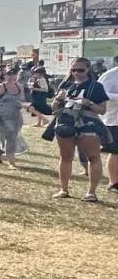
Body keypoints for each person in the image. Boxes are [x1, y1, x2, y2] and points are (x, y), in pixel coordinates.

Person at [50, 57, 109, 201]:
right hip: (66, 123)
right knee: (65, 157)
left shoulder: (96, 86)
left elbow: (102, 110)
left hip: (88, 124)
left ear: (88, 69)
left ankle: (91, 193)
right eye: (73, 70)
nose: (77, 73)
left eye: (80, 70)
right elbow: (54, 109)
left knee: (93, 157)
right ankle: (63, 189)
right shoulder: (66, 85)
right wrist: (58, 99)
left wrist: (88, 103)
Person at [0, 67, 28, 168]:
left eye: (14, 74)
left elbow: (21, 101)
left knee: (9, 138)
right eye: (8, 74)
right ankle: (12, 163)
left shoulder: (20, 86)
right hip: (2, 117)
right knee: (10, 139)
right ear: (4, 75)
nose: (11, 76)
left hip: (16, 117)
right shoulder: (0, 87)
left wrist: (27, 106)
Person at [98, 61, 118, 192]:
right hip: (114, 119)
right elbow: (101, 93)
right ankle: (113, 182)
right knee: (115, 151)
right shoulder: (110, 75)